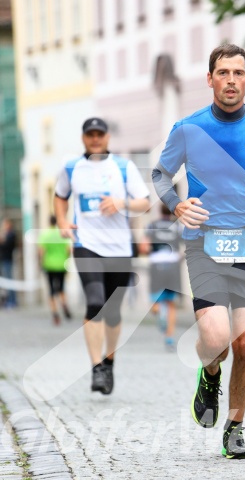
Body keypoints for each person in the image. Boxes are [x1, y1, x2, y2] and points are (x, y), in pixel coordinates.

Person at [152, 44, 245, 459]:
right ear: (210, 79)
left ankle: (235, 428)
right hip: (204, 242)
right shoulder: (188, 128)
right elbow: (160, 173)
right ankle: (210, 372)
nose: (231, 80)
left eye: (239, 72)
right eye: (223, 73)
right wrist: (176, 203)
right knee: (218, 339)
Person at [55, 117, 150, 394]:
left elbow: (144, 202)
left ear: (107, 137)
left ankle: (109, 361)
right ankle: (96, 367)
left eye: (99, 134)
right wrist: (62, 221)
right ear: (84, 138)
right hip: (86, 244)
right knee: (95, 302)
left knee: (112, 312)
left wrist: (122, 203)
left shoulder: (123, 167)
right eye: (90, 135)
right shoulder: (71, 167)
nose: (95, 139)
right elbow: (60, 195)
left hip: (120, 248)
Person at [140, 204, 182, 351]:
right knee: (171, 303)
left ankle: (160, 314)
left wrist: (151, 251)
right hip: (173, 266)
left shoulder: (152, 225)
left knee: (155, 301)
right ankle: (169, 338)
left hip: (157, 265)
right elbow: (187, 246)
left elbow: (143, 247)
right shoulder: (177, 226)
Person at [38, 215, 72, 325]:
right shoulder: (62, 234)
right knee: (61, 287)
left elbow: (41, 251)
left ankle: (55, 312)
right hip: (61, 265)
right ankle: (64, 303)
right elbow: (68, 250)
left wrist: (41, 263)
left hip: (49, 265)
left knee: (51, 290)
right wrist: (66, 260)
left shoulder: (45, 235)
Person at [0, 218, 17, 308]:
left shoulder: (11, 235)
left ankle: (12, 301)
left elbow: (7, 245)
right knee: (6, 283)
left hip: (7, 260)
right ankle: (8, 300)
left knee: (9, 281)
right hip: (4, 260)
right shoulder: (6, 234)